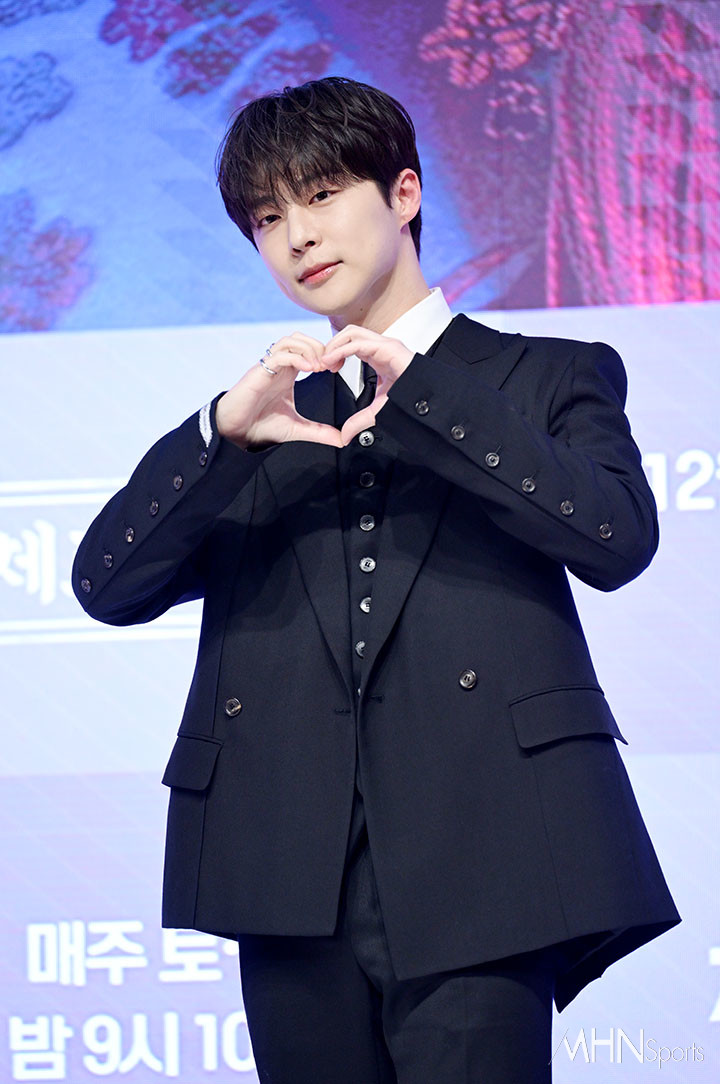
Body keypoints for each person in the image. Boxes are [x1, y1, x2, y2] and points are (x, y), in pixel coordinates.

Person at [72, 76, 680, 1083]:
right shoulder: (265, 418)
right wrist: (219, 435)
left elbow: (616, 540)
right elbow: (107, 583)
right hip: (287, 866)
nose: (297, 236)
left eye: (319, 195)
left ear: (404, 193)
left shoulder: (550, 373)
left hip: (491, 853)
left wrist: (430, 396)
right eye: (267, 219)